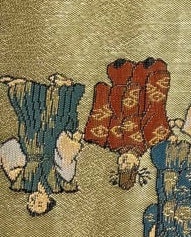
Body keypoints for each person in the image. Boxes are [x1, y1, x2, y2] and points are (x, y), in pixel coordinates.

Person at [0, 74, 85, 215]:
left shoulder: (22, 182)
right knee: (52, 117)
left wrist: (8, 165)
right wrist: (73, 140)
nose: (34, 200)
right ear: (49, 200)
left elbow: (11, 151)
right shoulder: (60, 184)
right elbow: (66, 159)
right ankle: (63, 86)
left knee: (28, 117)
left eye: (31, 204)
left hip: (30, 143)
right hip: (51, 141)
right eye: (39, 204)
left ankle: (20, 86)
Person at [82, 57, 172, 189]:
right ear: (137, 163)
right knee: (146, 86)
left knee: (120, 75)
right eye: (128, 165)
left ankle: (122, 70)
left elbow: (101, 116)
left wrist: (103, 93)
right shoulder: (149, 141)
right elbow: (156, 110)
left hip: (120, 91)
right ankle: (149, 69)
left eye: (121, 166)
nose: (124, 162)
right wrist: (155, 74)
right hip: (142, 92)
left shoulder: (111, 143)